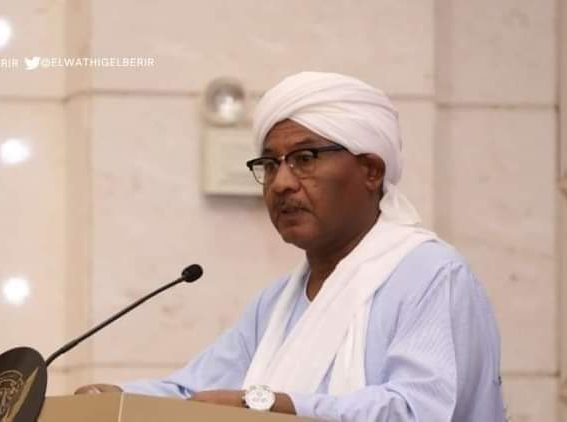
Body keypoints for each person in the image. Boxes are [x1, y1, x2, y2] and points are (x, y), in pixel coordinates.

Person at [76, 72, 506, 421]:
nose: (281, 183)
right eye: (269, 164)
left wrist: (268, 404)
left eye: (305, 159)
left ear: (371, 170)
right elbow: (195, 391)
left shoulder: (430, 274)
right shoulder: (276, 303)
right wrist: (116, 398)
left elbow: (419, 411)